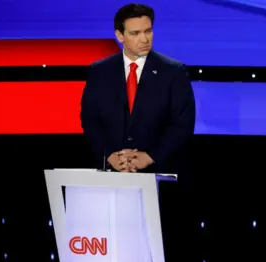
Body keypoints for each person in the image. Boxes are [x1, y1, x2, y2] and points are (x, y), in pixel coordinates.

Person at [80, 3, 195, 177]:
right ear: (120, 35)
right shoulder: (100, 71)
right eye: (135, 33)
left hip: (159, 172)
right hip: (110, 173)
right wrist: (110, 155)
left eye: (148, 31)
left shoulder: (173, 72)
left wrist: (150, 156)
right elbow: (90, 120)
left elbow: (182, 125)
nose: (144, 39)